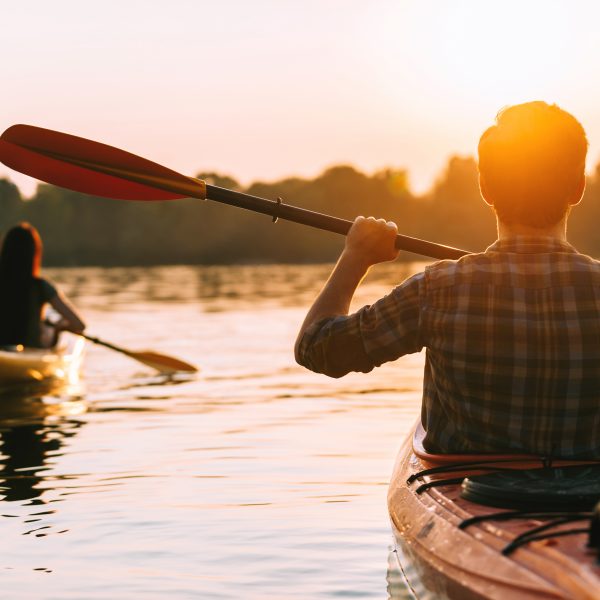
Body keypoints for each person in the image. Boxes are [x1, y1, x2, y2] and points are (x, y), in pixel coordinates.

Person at [295, 101, 599, 458]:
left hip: (474, 495)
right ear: (578, 188)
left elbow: (316, 349)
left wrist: (356, 258)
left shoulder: (438, 289)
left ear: (485, 188)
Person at [0, 222, 86, 348]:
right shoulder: (41, 287)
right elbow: (79, 325)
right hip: (31, 351)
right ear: (34, 253)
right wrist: (58, 328)